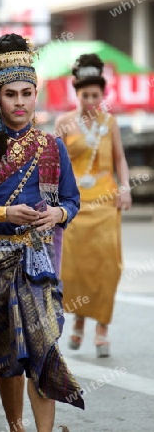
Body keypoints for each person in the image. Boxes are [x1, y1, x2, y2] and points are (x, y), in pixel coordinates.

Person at [0, 34, 84, 432]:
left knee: (43, 348)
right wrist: (6, 212)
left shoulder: (51, 146)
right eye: (12, 94)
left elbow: (72, 201)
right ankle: (15, 425)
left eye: (28, 93)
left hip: (39, 263)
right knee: (7, 351)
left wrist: (57, 214)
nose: (21, 102)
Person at [55, 53, 132, 358]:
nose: (90, 100)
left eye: (95, 95)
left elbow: (120, 160)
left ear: (103, 95)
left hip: (105, 202)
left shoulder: (110, 122)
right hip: (74, 203)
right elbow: (54, 165)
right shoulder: (63, 123)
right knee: (74, 267)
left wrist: (125, 187)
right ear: (77, 94)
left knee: (107, 266)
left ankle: (102, 327)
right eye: (84, 94)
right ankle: (78, 319)